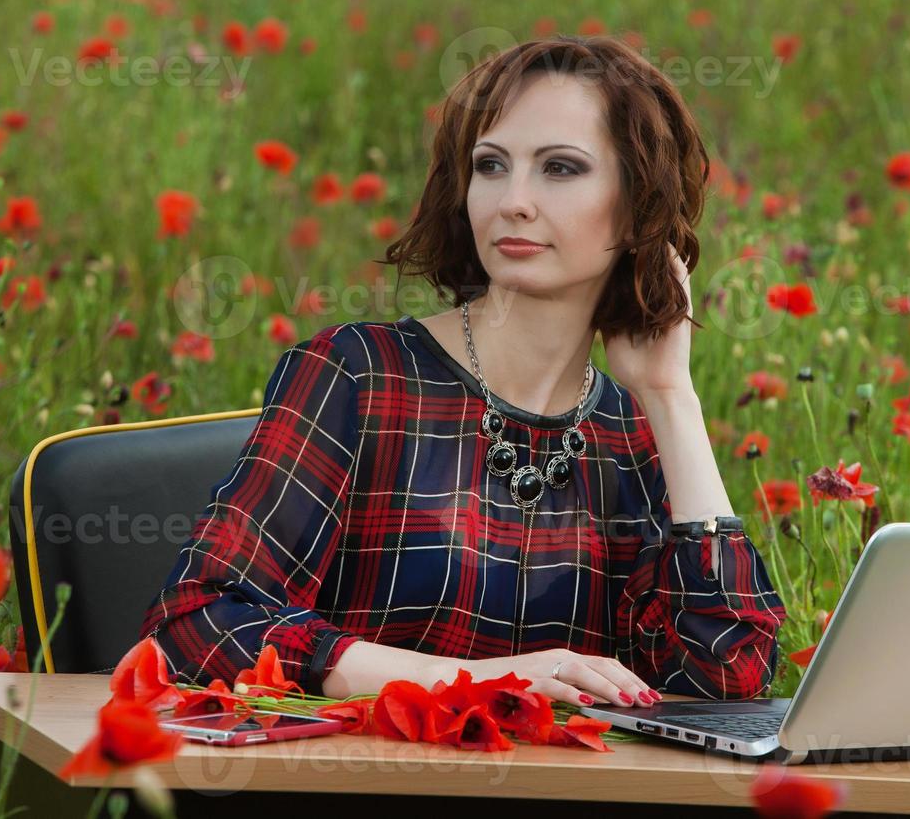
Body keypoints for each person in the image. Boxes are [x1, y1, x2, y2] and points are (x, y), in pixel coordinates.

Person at [138, 35, 788, 709]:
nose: (513, 200)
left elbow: (728, 679)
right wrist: (474, 683)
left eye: (560, 168)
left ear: (638, 204)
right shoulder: (357, 377)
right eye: (491, 165)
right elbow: (201, 623)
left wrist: (669, 397)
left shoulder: (632, 431)